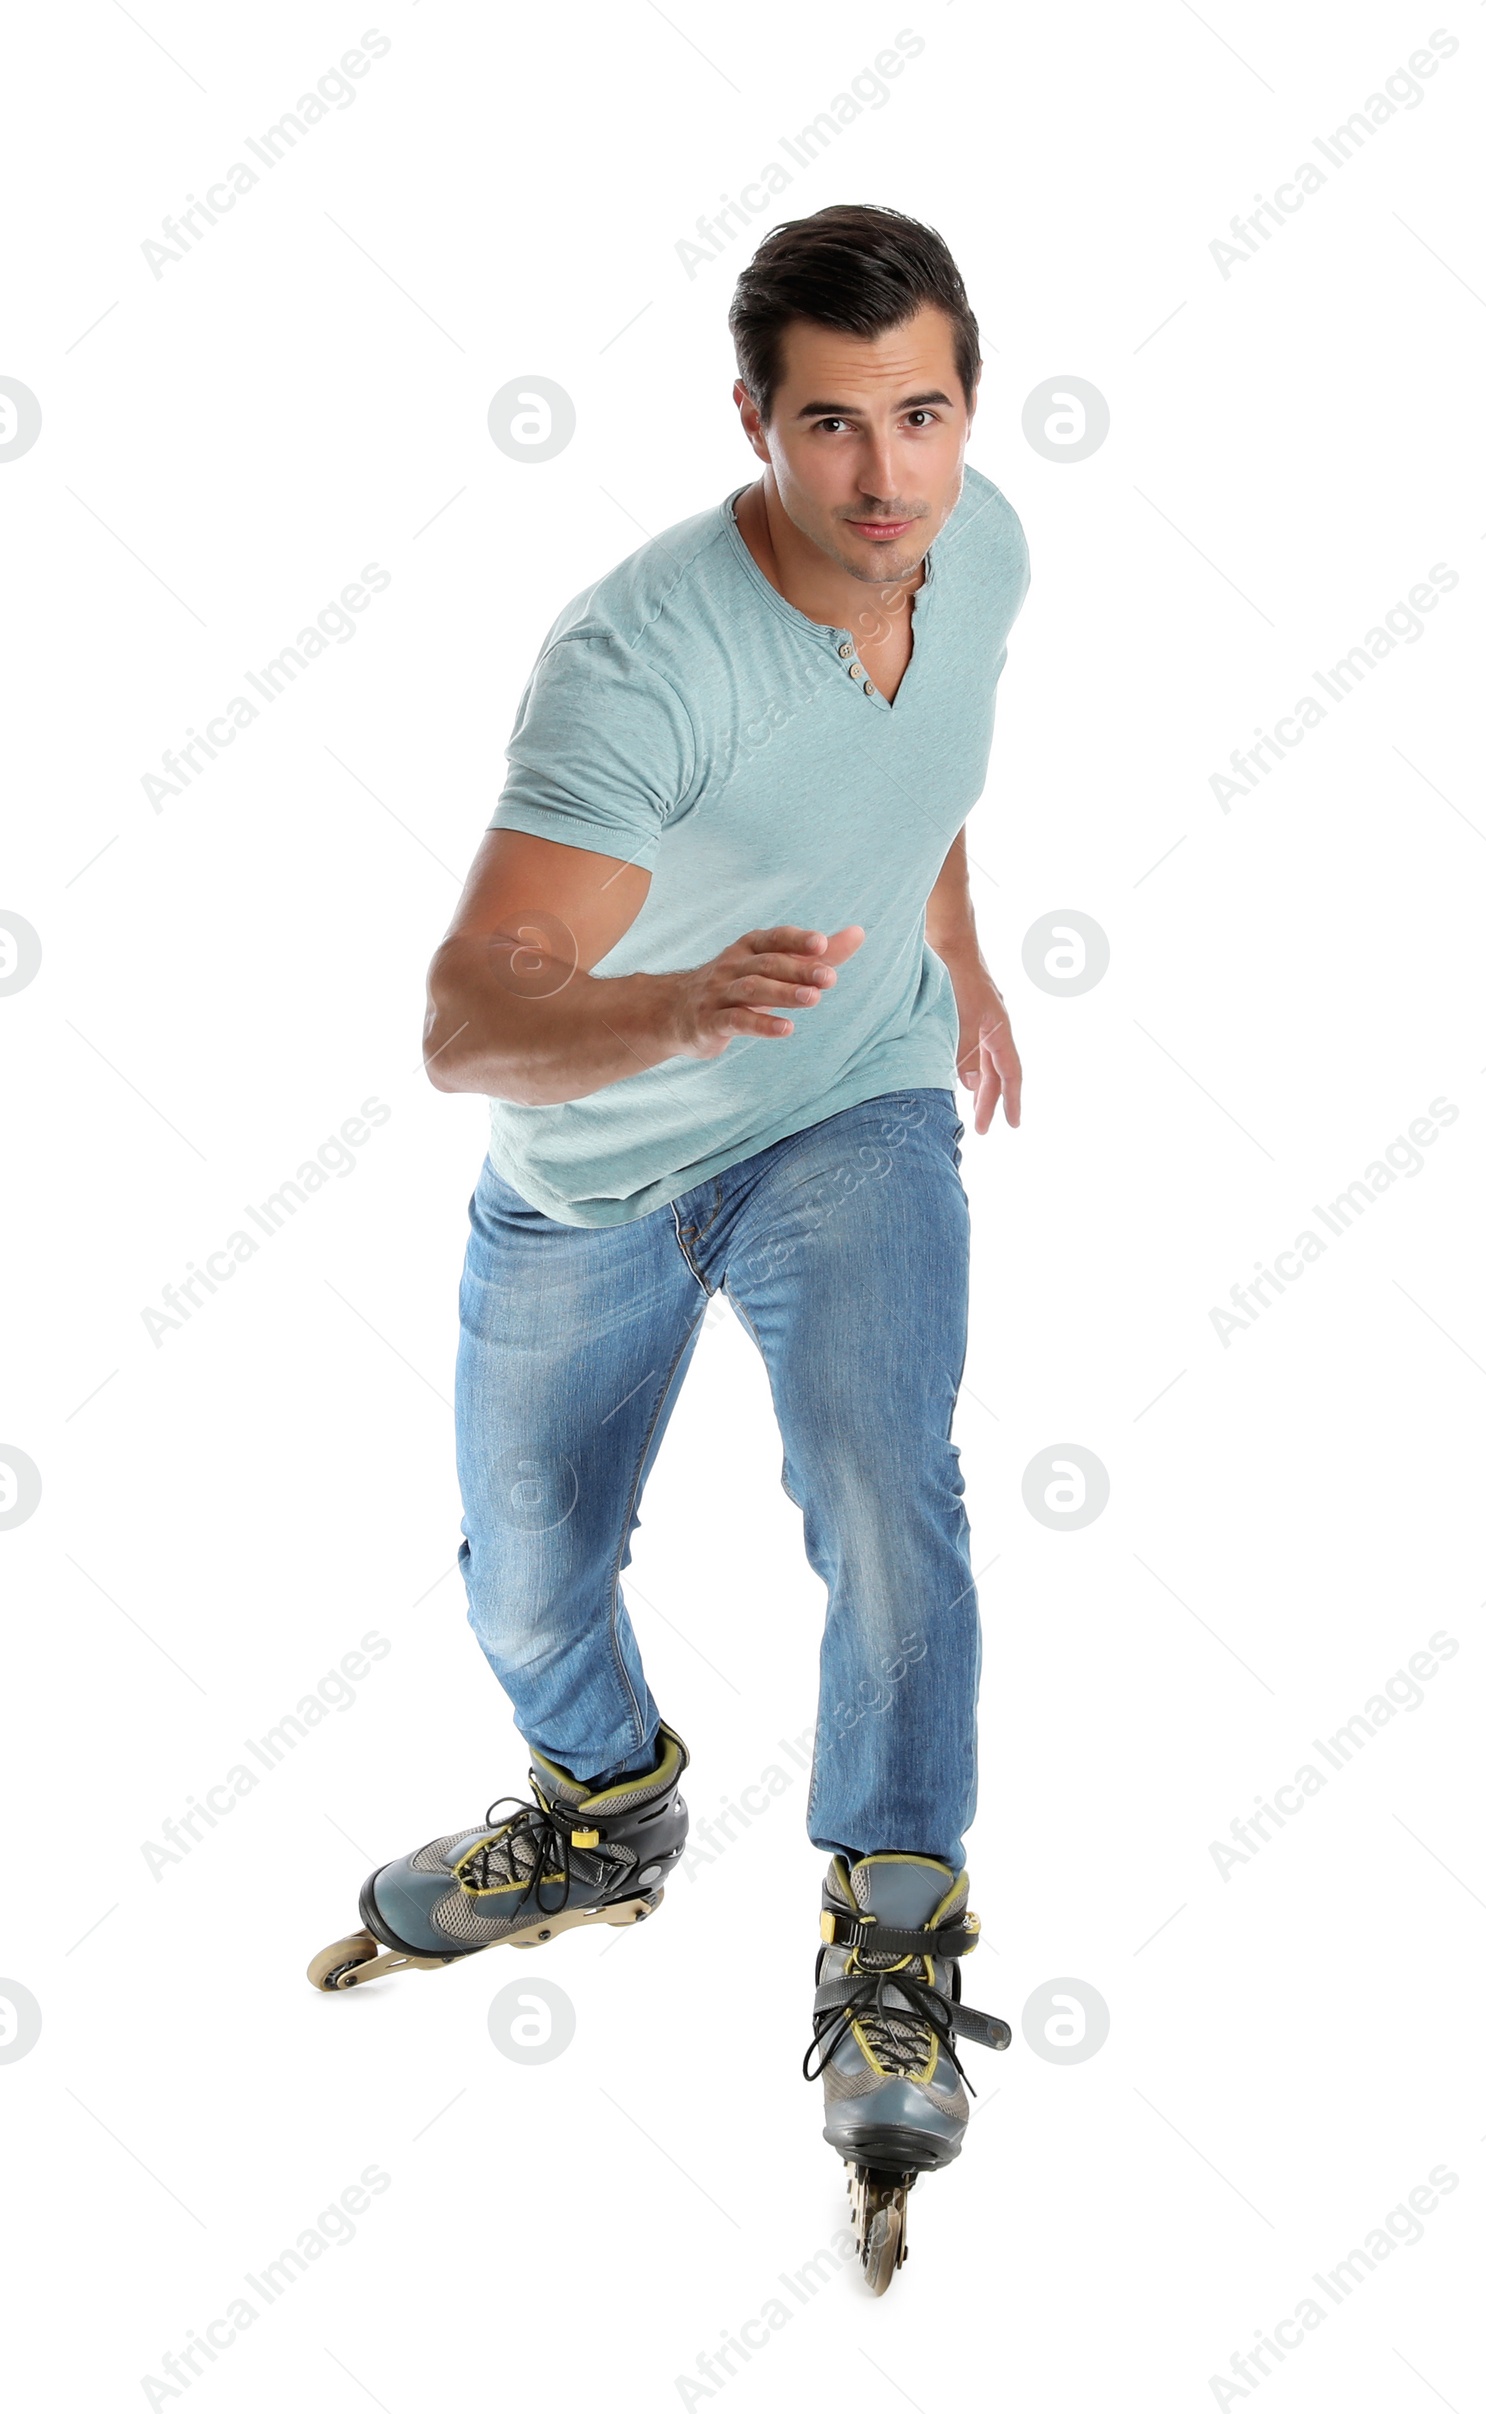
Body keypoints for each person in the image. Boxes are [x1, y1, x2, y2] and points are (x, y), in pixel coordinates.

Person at [307, 201, 1030, 2287]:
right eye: (829, 427)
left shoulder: (976, 553)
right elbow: (464, 1014)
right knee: (525, 1560)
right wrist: (671, 1005)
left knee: (882, 1483)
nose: (883, 479)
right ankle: (603, 1806)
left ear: (969, 405)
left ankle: (894, 1925)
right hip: (600, 1154)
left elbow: (931, 768)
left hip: (849, 1104)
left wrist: (954, 961)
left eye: (919, 415)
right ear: (753, 421)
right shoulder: (638, 660)